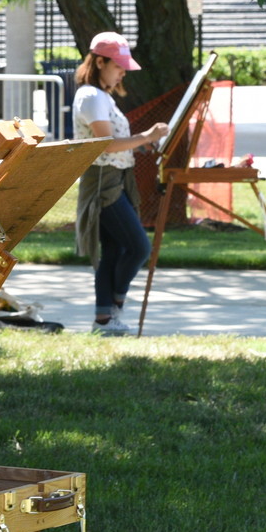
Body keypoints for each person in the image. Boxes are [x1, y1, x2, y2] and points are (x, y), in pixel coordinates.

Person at [71, 32, 169, 334]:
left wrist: (139, 146)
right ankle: (114, 307)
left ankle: (104, 320)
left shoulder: (101, 96)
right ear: (100, 62)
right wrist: (147, 137)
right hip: (103, 183)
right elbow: (104, 144)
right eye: (118, 67)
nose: (123, 73)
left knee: (113, 252)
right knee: (139, 247)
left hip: (114, 180)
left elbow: (114, 142)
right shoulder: (90, 96)